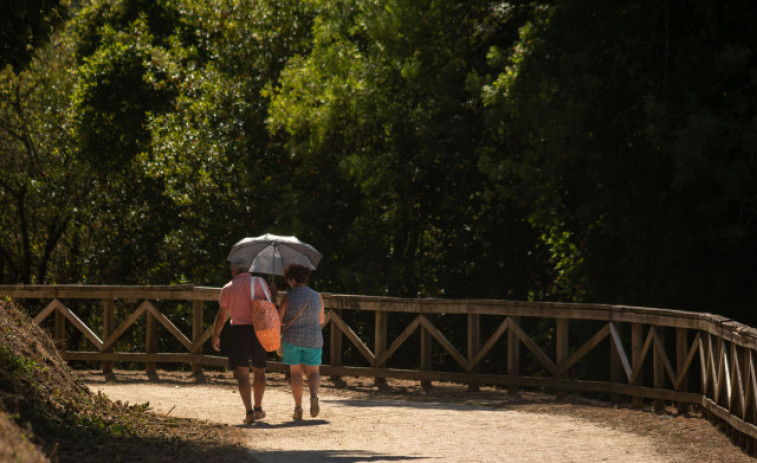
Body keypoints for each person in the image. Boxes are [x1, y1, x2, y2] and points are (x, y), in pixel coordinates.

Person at [212, 258, 272, 424]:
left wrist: (216, 334)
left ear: (233, 271)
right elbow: (269, 305)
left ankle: (249, 412)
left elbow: (221, 316)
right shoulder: (259, 282)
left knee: (243, 374)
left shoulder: (227, 288)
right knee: (260, 370)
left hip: (238, 332)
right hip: (259, 330)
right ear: (248, 269)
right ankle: (259, 408)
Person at [278, 263, 325, 421]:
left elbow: (278, 320)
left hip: (292, 339)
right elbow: (321, 319)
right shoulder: (317, 296)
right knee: (313, 372)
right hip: (313, 339)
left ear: (292, 280)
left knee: (296, 374)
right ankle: (313, 395)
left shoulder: (288, 297)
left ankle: (298, 408)